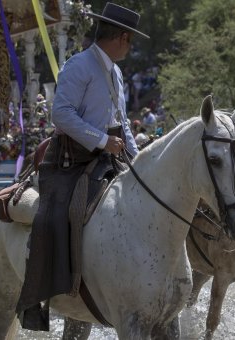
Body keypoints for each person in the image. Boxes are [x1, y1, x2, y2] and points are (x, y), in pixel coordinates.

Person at [15, 2, 148, 331]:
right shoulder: (79, 65)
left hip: (110, 157)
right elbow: (60, 114)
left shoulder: (115, 72)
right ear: (120, 37)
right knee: (56, 216)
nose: (129, 47)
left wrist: (137, 160)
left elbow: (122, 123)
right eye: (130, 40)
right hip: (70, 161)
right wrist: (102, 140)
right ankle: (51, 291)